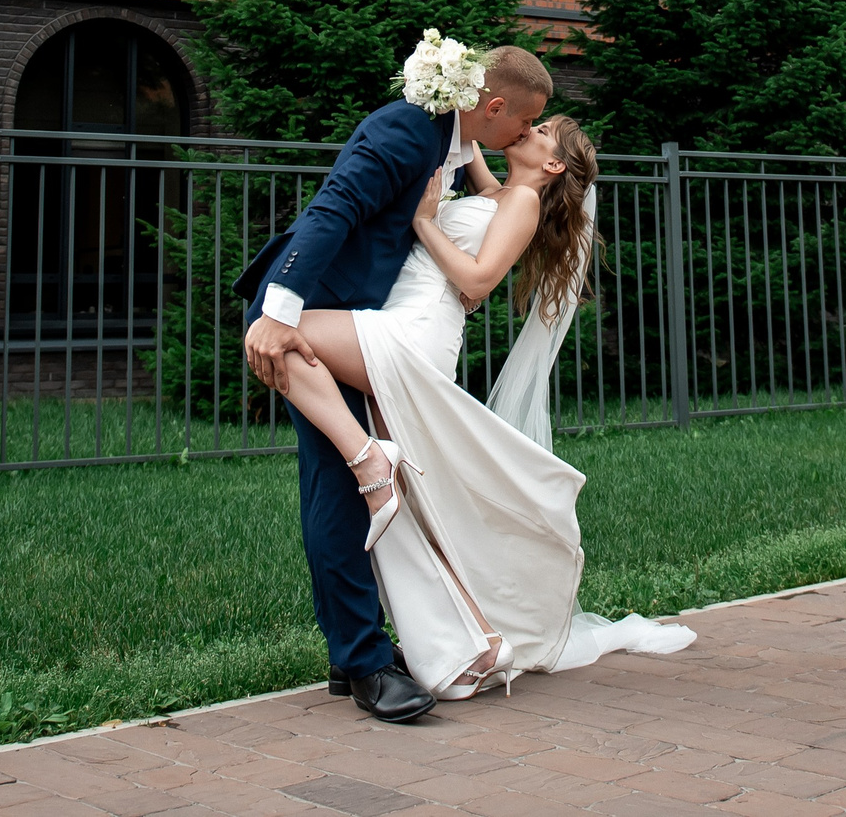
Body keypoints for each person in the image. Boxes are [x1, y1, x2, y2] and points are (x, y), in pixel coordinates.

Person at [285, 116, 695, 700]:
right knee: (419, 519)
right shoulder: (498, 192)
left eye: (543, 130)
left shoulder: (524, 199)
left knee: (282, 332)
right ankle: (456, 636)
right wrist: (450, 84)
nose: (530, 128)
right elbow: (469, 132)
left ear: (554, 165)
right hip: (396, 320)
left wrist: (425, 220)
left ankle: (369, 462)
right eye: (530, 120)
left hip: (418, 331)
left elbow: (478, 282)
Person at [237, 44, 550, 724]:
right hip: (305, 317)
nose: (519, 139)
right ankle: (363, 659)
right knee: (338, 486)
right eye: (520, 126)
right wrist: (277, 311)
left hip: (357, 324)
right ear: (491, 108)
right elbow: (334, 207)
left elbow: (484, 187)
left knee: (342, 490)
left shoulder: (450, 139)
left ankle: (353, 653)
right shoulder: (405, 130)